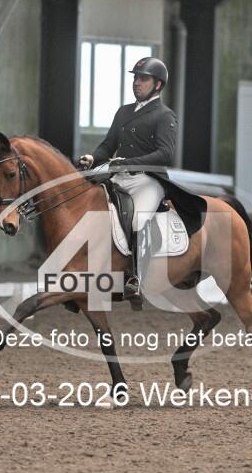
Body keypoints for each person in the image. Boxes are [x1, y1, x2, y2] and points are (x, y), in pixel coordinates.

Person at [79, 57, 206, 308]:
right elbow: (108, 145)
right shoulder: (124, 112)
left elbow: (165, 154)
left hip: (148, 181)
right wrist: (93, 157)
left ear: (157, 85)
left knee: (137, 220)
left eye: (143, 79)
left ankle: (134, 279)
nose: (136, 83)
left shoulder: (165, 115)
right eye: (135, 78)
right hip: (119, 177)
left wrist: (129, 163)